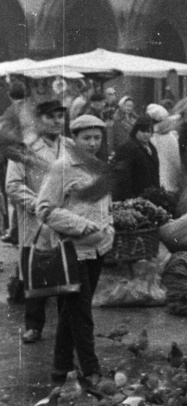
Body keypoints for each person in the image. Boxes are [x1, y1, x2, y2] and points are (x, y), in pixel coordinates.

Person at [35, 112, 113, 389]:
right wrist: (80, 225)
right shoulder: (62, 168)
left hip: (97, 250)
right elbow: (43, 209)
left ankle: (61, 367)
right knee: (81, 314)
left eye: (97, 137)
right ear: (75, 138)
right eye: (86, 137)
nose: (92, 143)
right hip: (72, 251)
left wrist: (109, 230)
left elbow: (106, 206)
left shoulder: (99, 167)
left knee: (71, 312)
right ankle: (91, 372)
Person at [7, 97, 67, 344]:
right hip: (36, 221)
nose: (56, 121)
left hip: (65, 221)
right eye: (50, 116)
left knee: (66, 273)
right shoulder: (25, 148)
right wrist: (39, 206)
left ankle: (67, 326)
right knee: (36, 274)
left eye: (60, 116)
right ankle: (33, 326)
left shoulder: (70, 147)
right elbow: (13, 184)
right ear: (39, 120)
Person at [111, 114, 161, 201]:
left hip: (150, 196)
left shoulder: (152, 148)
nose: (146, 134)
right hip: (134, 197)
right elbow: (122, 179)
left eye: (149, 131)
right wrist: (130, 199)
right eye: (142, 131)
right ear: (135, 131)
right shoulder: (127, 148)